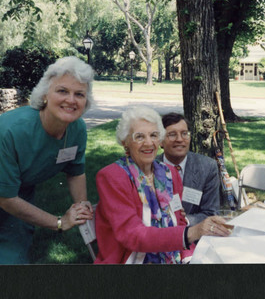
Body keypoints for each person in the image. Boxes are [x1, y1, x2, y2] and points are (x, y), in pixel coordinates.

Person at [0, 56, 94, 264]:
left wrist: (81, 209)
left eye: (79, 94)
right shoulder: (9, 131)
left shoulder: (77, 129)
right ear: (45, 94)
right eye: (62, 91)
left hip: (18, 197)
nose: (71, 100)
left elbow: (75, 171)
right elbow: (4, 198)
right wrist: (59, 222)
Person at [94, 106, 230, 264]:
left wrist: (189, 258)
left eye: (153, 135)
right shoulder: (112, 177)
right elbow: (132, 235)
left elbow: (179, 220)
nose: (149, 143)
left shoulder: (168, 173)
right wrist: (192, 232)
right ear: (125, 142)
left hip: (171, 256)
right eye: (139, 137)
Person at [157, 113, 220, 225]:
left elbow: (211, 212)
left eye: (184, 134)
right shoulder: (150, 168)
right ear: (160, 141)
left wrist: (183, 221)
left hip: (195, 235)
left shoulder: (207, 167)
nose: (180, 139)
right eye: (172, 134)